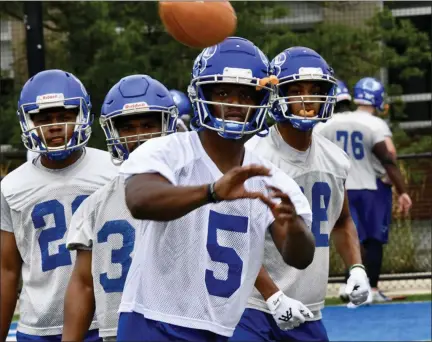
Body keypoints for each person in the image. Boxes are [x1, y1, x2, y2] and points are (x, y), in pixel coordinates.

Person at [116, 36, 315, 341]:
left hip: (220, 329)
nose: (233, 104)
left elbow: (299, 257)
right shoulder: (168, 150)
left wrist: (296, 227)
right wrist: (211, 192)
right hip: (151, 321)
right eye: (222, 92)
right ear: (201, 94)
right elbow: (139, 200)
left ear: (260, 102)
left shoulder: (272, 178)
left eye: (245, 95)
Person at [230, 47, 369, 342]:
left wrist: (356, 267)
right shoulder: (252, 155)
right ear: (278, 94)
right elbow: (235, 239)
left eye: (315, 90)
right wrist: (273, 296)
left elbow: (342, 221)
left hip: (307, 309)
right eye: (296, 90)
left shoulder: (335, 159)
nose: (307, 99)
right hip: (251, 307)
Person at [0, 69, 118, 341]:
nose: (54, 126)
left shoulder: (113, 170)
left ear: (82, 115)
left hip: (102, 322)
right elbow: (7, 270)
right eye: (43, 118)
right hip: (39, 325)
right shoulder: (11, 186)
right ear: (27, 121)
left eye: (64, 116)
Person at [62, 74, 178, 341]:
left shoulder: (194, 188)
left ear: (167, 125)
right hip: (118, 332)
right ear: (112, 132)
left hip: (181, 328)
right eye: (128, 128)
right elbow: (82, 284)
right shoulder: (96, 204)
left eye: (149, 125)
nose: (140, 137)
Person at [316, 77, 412, 303]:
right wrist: (401, 188)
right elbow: (389, 155)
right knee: (373, 240)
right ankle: (371, 288)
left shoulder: (325, 125)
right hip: (371, 186)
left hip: (341, 187)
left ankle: (350, 284)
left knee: (350, 237)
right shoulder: (372, 124)